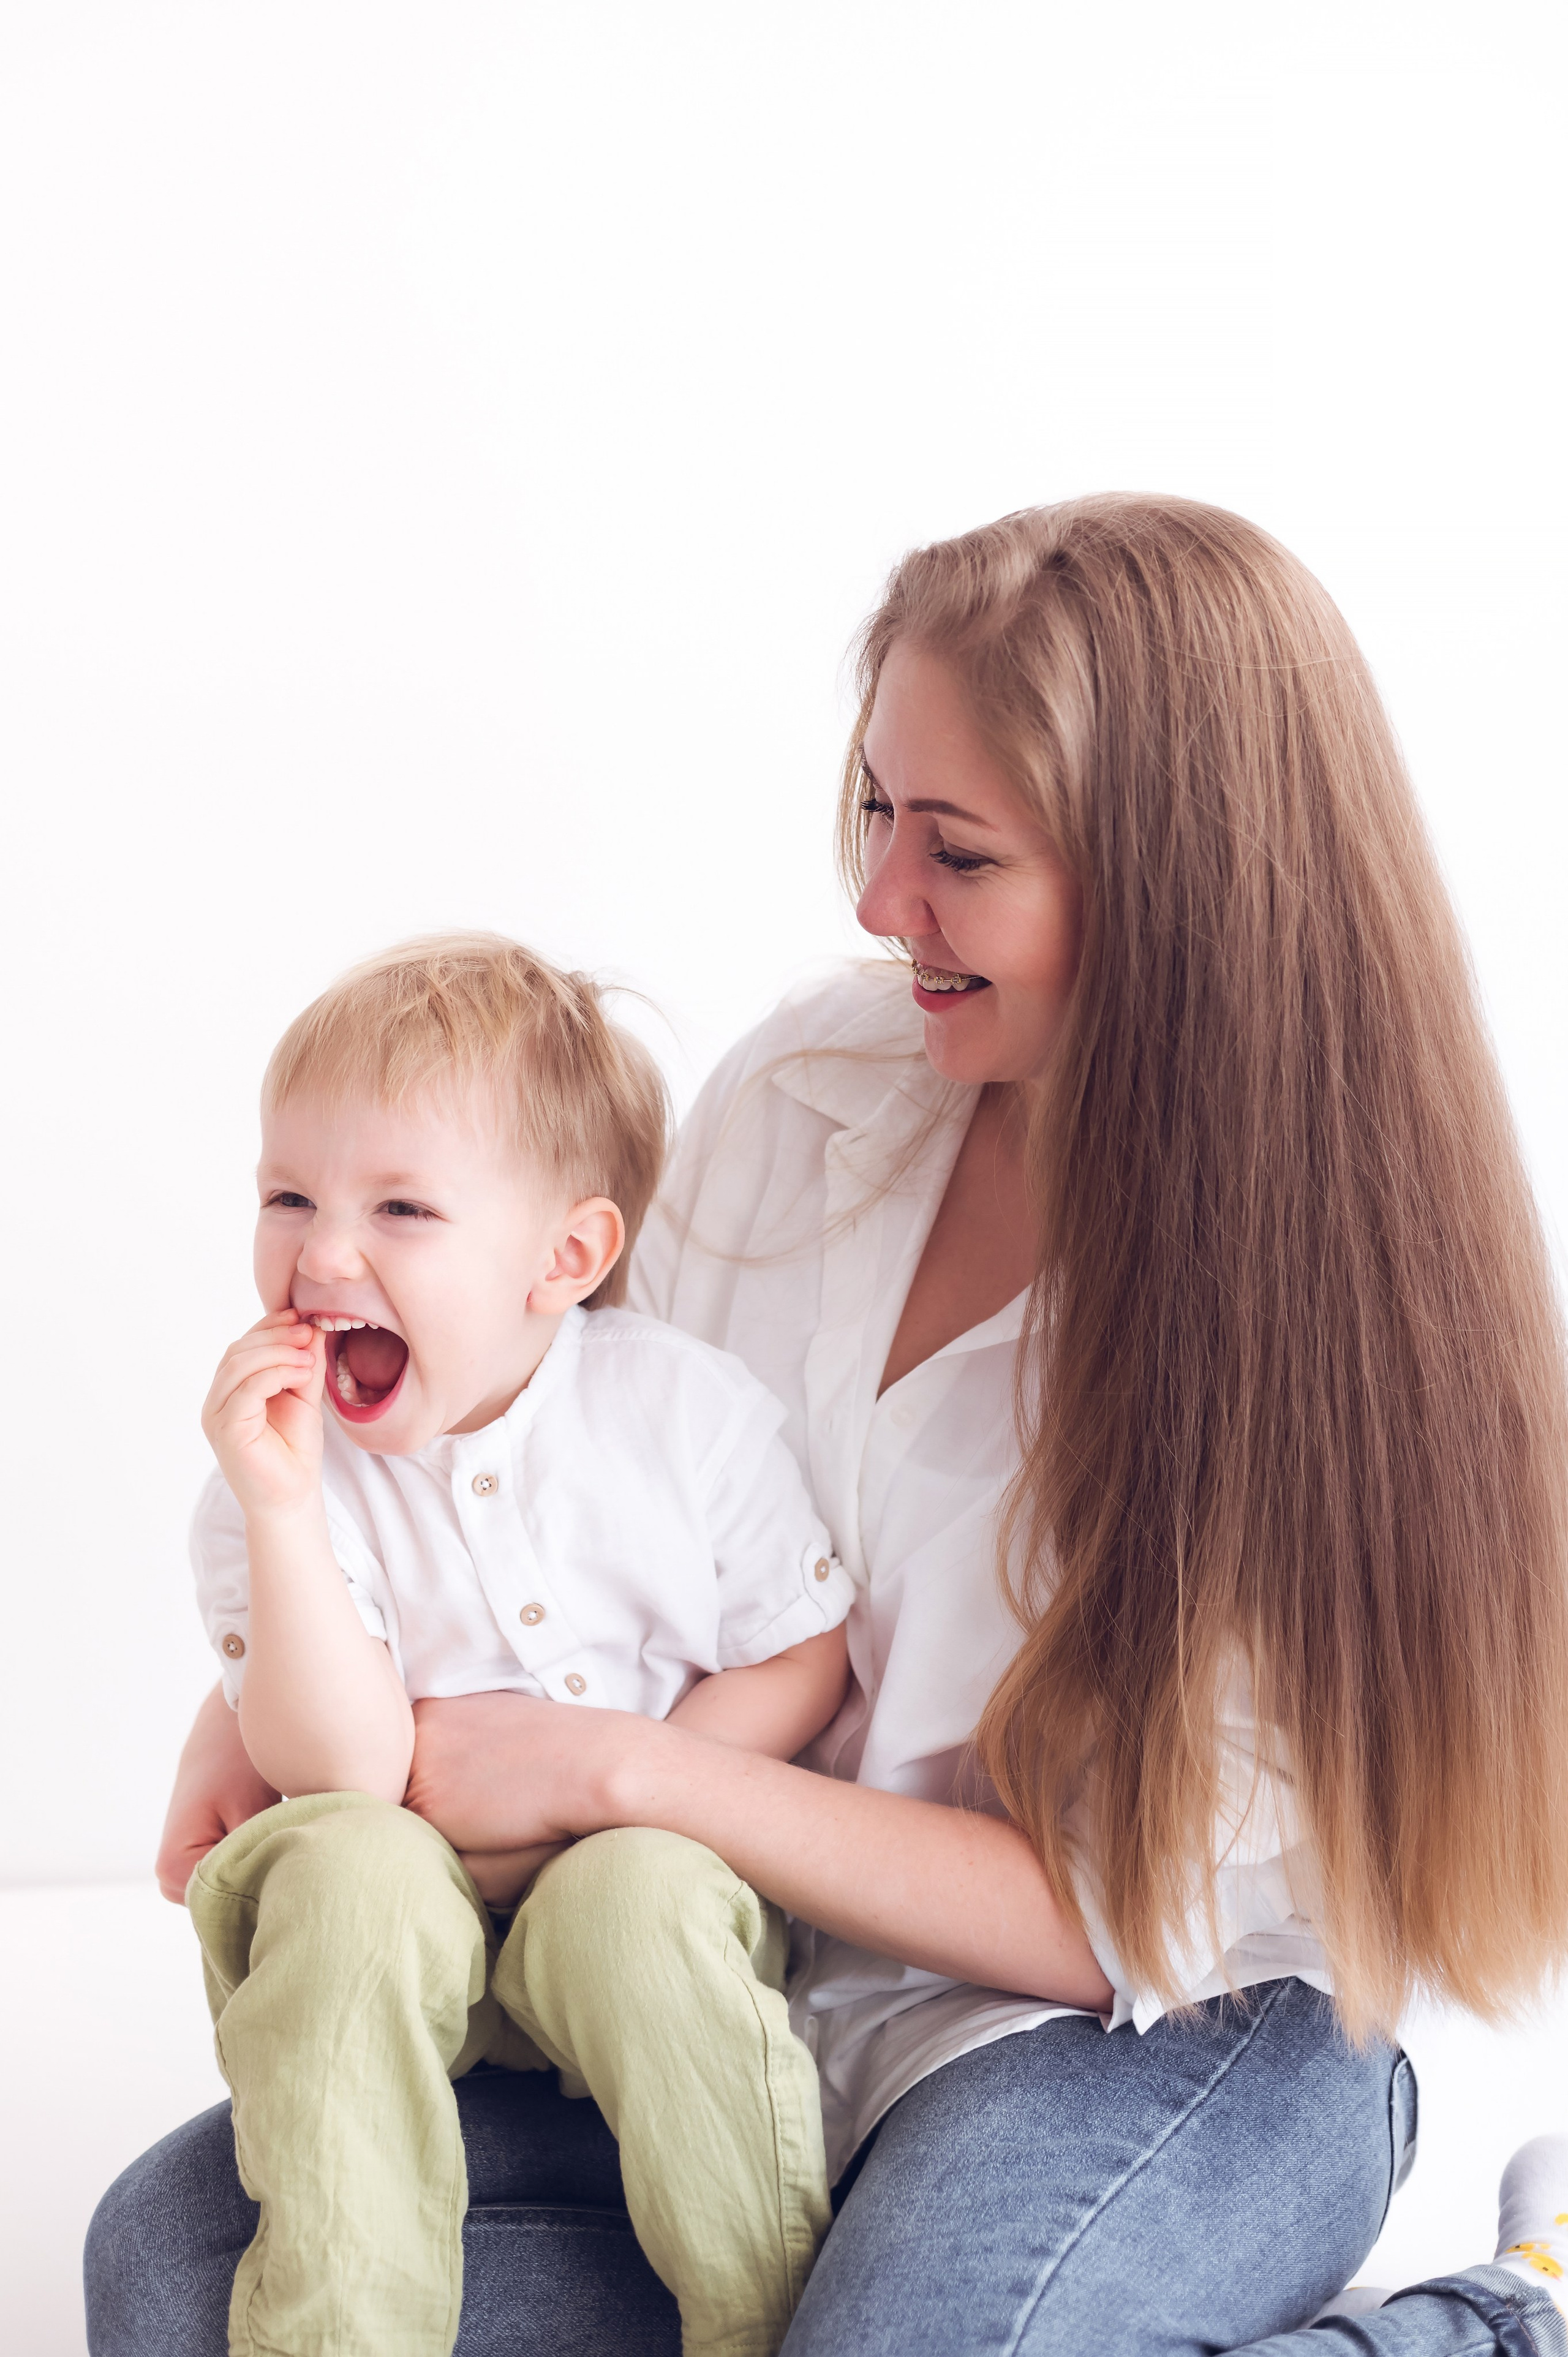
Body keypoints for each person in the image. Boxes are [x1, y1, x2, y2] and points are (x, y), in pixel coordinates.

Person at [87, 496, 1568, 2356]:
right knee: (174, 2271)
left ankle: (1491, 2324)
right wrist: (275, 1660)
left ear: (1174, 881)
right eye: (877, 813)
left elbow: (1117, 1928)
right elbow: (588, 1481)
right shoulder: (812, 1092)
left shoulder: (1325, 1323)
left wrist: (625, 1775)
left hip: (1151, 2045)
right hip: (751, 2001)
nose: (881, 902)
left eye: (959, 852)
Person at [175, 934, 864, 2357]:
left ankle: (774, 2322)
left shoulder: (681, 1412)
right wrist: (286, 1510)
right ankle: (340, 2333)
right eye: (287, 1194)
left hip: (629, 1889)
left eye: (400, 1207)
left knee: (641, 1905)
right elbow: (346, 1772)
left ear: (564, 1257)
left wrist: (623, 1780)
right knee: (352, 1884)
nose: (319, 1254)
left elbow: (802, 1652)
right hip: (396, 1891)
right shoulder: (273, 1484)